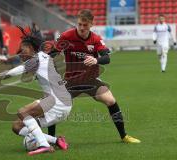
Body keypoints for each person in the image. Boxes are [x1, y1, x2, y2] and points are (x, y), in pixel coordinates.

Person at [47, 9, 140, 143]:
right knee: (55, 105)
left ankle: (124, 136)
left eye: (85, 25)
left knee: (111, 100)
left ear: (91, 24)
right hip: (71, 80)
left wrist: (96, 60)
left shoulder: (95, 39)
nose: (82, 28)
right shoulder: (67, 36)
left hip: (91, 80)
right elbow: (53, 52)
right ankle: (51, 140)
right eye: (79, 24)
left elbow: (107, 58)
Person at [0, 35, 72, 155]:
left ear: (31, 48)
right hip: (61, 102)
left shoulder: (36, 59)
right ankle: (57, 140)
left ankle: (44, 145)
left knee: (22, 112)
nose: (21, 53)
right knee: (17, 126)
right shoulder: (44, 57)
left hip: (58, 101)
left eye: (23, 49)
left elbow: (11, 72)